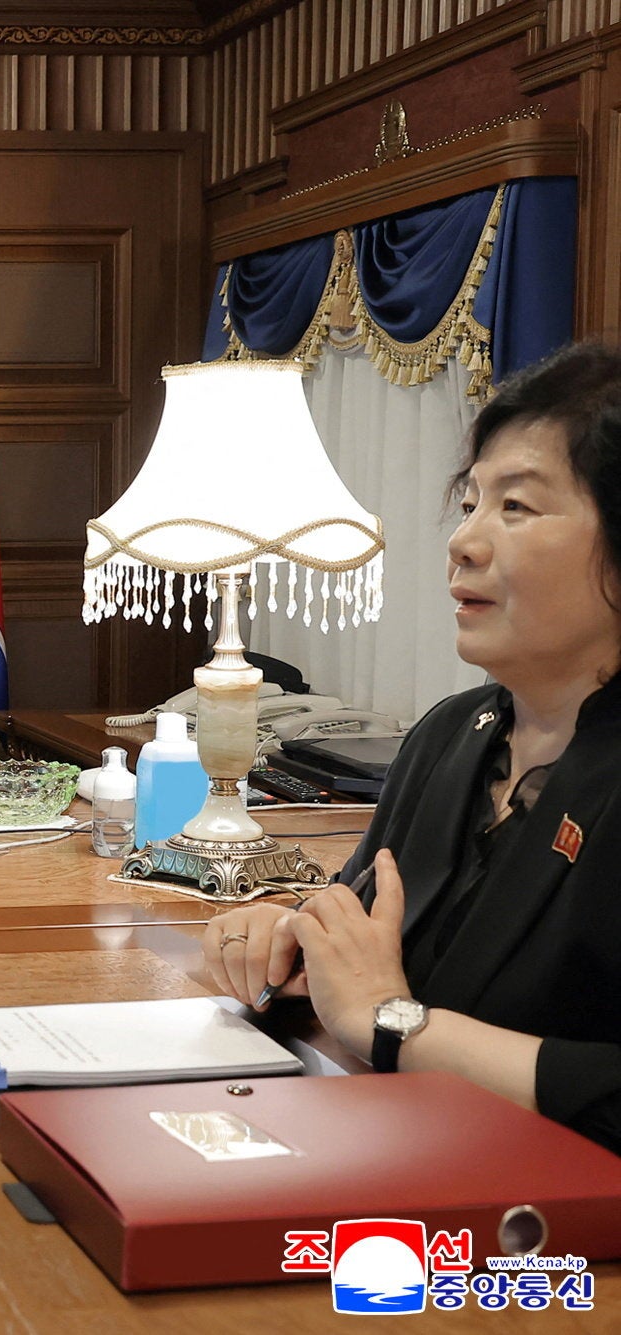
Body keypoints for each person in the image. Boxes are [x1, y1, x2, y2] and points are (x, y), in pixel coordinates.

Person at [204, 341, 621, 1151]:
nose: (465, 541)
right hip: (388, 1153)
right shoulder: (452, 735)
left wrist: (395, 1022)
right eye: (469, 503)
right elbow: (365, 937)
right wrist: (288, 941)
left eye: (517, 508)